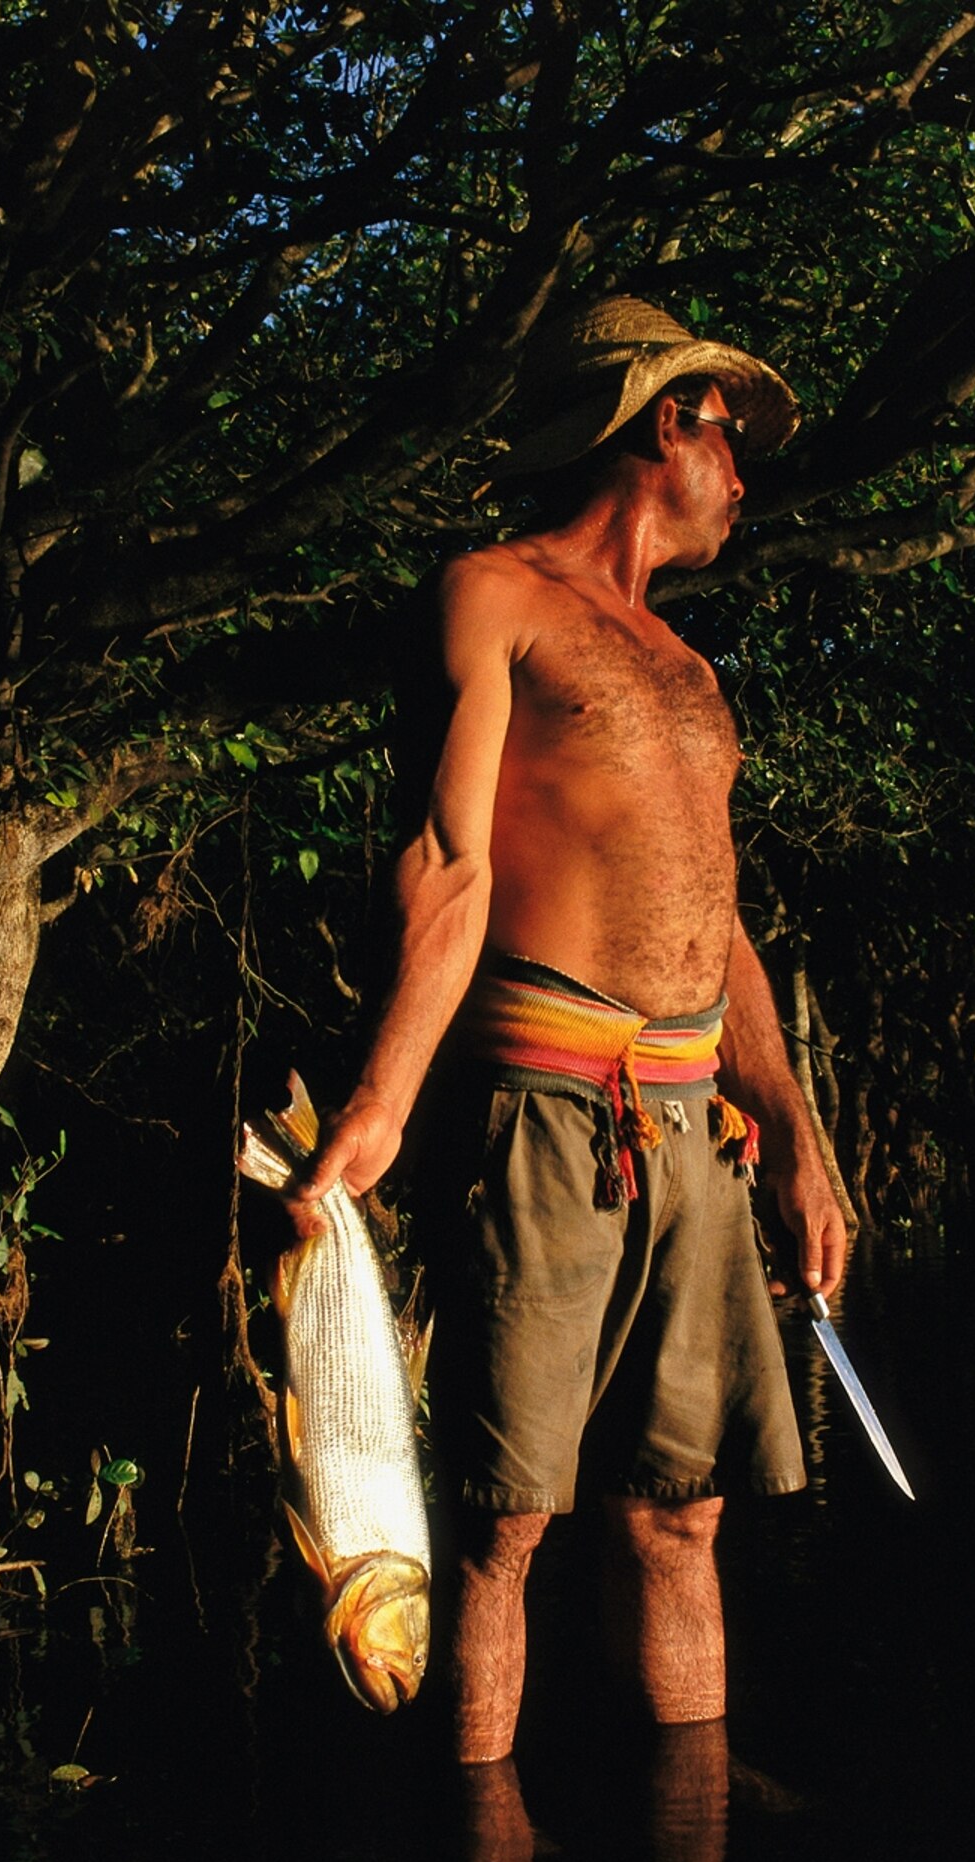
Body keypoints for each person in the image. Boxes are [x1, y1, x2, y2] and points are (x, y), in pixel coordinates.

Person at [285, 297, 844, 1765]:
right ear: (669, 422)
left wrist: (794, 1130)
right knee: (505, 1521)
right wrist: (383, 1108)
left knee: (682, 1515)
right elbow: (450, 866)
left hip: (694, 1130)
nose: (746, 476)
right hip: (546, 1109)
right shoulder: (494, 595)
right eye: (733, 437)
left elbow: (718, 920)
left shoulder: (690, 670)